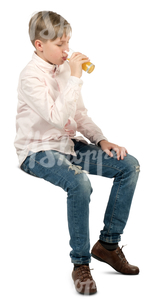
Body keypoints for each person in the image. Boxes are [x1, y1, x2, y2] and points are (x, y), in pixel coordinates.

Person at [14, 11, 140, 295]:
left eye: (68, 43)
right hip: (37, 150)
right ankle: (80, 264)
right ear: (39, 45)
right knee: (79, 183)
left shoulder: (63, 70)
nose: (67, 51)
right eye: (60, 45)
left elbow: (79, 115)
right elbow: (58, 117)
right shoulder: (30, 77)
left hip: (68, 146)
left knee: (129, 166)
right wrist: (75, 77)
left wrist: (102, 139)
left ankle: (108, 245)